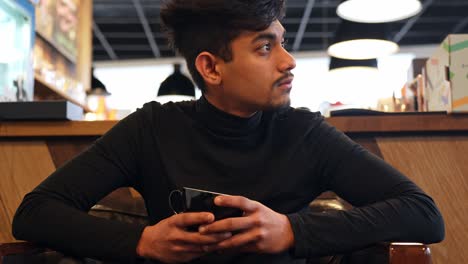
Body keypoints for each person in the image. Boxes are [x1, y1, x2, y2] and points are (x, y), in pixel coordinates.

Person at [12, 0, 444, 263]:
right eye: (265, 47)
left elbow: (424, 213)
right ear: (211, 67)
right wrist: (141, 241)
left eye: (282, 41)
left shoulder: (303, 132)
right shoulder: (152, 128)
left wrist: (294, 231)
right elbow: (35, 212)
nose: (288, 60)